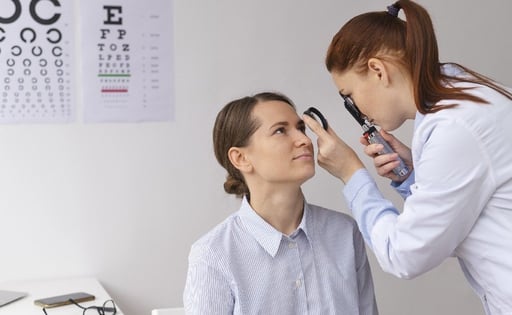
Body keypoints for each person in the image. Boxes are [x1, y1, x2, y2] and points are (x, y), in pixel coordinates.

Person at [302, 1, 512, 314]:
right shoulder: (470, 97)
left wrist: (353, 175)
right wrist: (412, 174)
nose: (358, 111)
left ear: (377, 70)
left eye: (350, 97)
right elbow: (458, 217)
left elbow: (405, 255)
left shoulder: (456, 128)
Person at [183, 92, 378, 314]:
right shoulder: (213, 254)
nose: (304, 140)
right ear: (240, 158)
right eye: (280, 131)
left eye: (301, 128)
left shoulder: (344, 233)